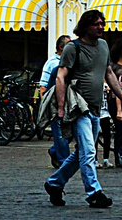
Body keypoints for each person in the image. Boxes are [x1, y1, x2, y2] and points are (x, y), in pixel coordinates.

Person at [45, 8, 122, 209]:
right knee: (89, 151)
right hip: (78, 108)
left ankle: (54, 183)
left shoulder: (104, 46)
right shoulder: (73, 48)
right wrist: (61, 107)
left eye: (102, 24)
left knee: (81, 151)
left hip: (96, 108)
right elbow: (61, 77)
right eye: (96, 24)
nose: (100, 27)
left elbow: (109, 73)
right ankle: (94, 193)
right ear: (85, 27)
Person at [41, 36, 71, 167]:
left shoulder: (70, 61)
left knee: (71, 132)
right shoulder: (52, 63)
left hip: (69, 102)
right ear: (61, 48)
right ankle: (64, 161)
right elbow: (43, 85)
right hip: (55, 102)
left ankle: (54, 150)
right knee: (60, 133)